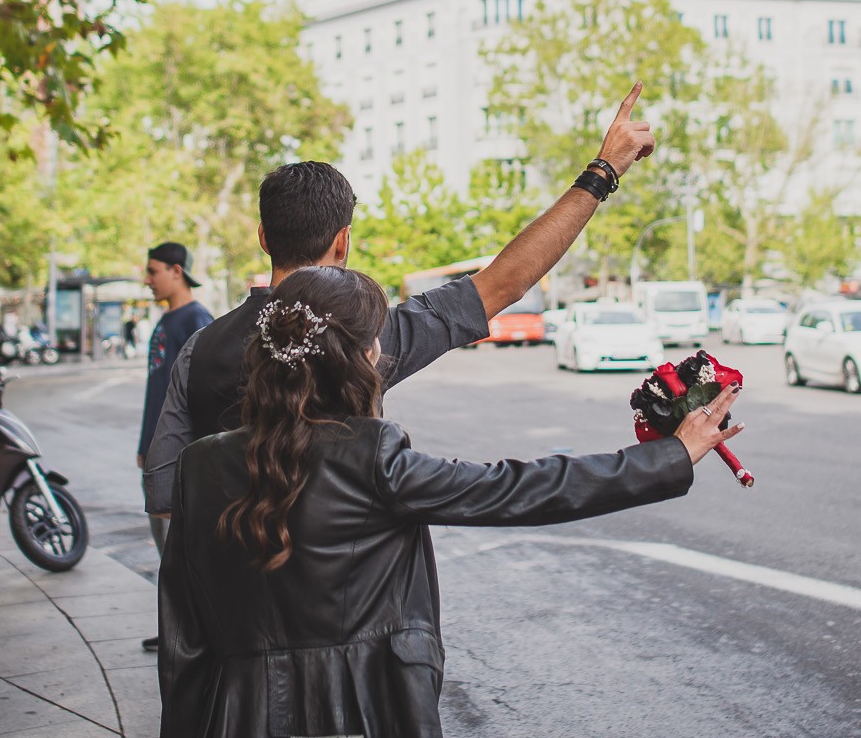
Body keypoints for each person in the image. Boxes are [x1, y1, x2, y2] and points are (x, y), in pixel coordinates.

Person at [158, 265, 741, 738]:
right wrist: (671, 455)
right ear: (362, 359)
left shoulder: (198, 468)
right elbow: (522, 488)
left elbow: (183, 658)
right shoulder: (371, 456)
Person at [143, 81, 656, 519]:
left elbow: (164, 495)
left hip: (230, 600)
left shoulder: (198, 349)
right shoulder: (361, 337)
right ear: (342, 241)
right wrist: (601, 172)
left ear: (263, 237)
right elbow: (505, 282)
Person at [138, 243, 216, 650]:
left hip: (183, 455)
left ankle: (193, 632)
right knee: (167, 546)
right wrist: (146, 442)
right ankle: (178, 627)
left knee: (184, 547)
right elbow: (157, 391)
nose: (147, 280)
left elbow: (205, 392)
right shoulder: (169, 318)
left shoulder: (196, 319)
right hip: (160, 448)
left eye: (153, 272)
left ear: (176, 271)